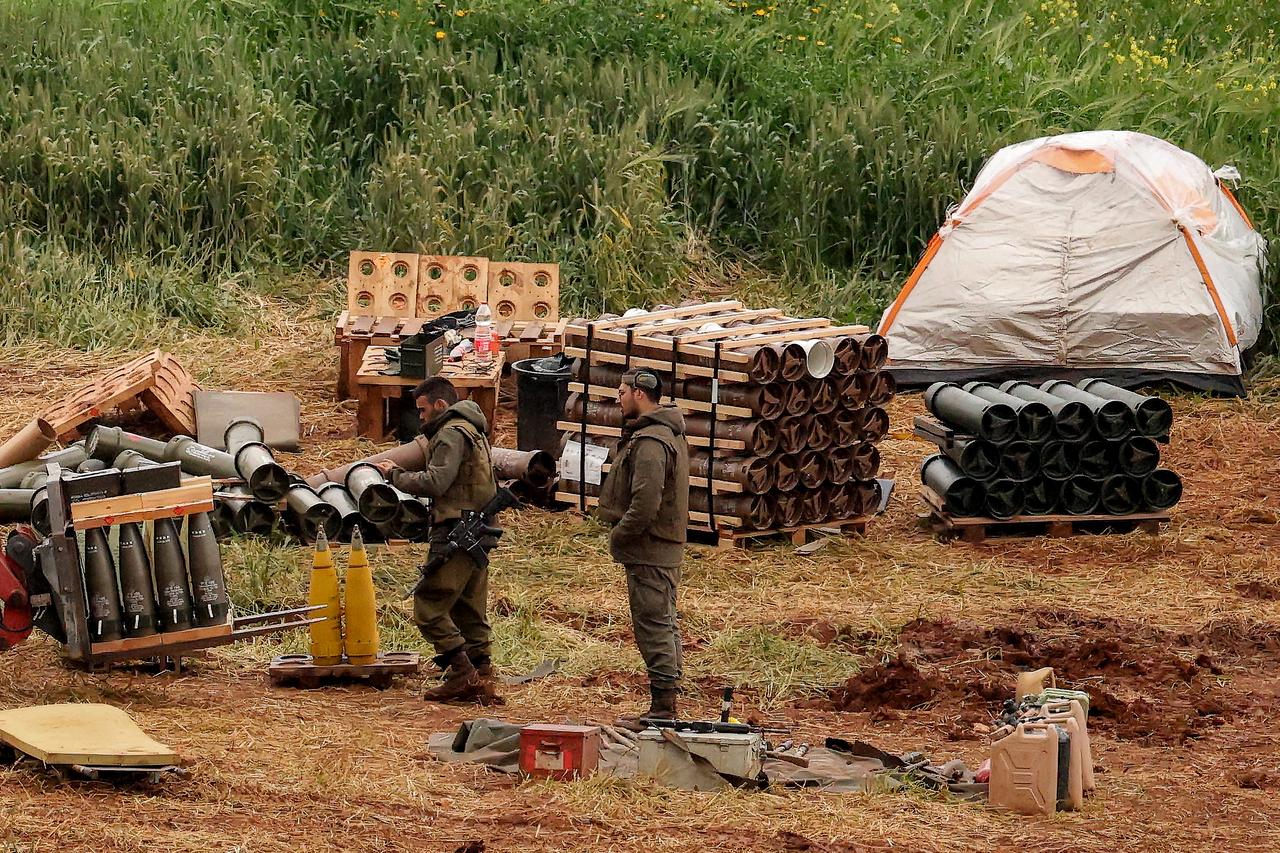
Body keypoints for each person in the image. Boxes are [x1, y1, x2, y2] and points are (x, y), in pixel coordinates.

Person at [377, 377, 500, 704]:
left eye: (423, 409)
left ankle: (462, 675)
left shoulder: (449, 433)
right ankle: (480, 669)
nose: (421, 417)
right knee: (469, 605)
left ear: (440, 405)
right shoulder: (474, 430)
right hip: (481, 529)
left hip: (458, 530)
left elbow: (436, 482)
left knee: (429, 605)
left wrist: (395, 475)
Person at [595, 367, 690, 724]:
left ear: (639, 393)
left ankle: (663, 708)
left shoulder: (651, 442)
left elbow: (645, 504)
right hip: (659, 547)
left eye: (622, 392)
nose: (617, 399)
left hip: (651, 548)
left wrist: (619, 534)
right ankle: (666, 700)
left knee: (653, 624)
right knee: (662, 621)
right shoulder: (665, 434)